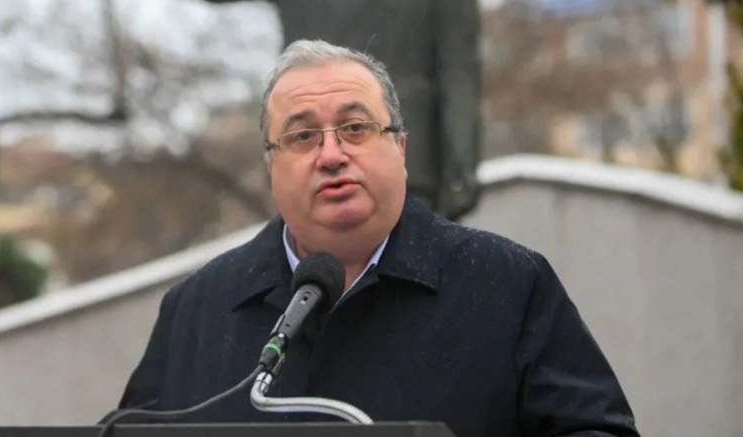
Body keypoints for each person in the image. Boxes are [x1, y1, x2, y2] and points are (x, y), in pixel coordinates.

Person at [114, 40, 639, 437]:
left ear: (400, 150)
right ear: (271, 167)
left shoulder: (506, 284)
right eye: (302, 136)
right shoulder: (197, 309)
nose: (331, 155)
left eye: (356, 128)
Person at [207, 0, 482, 219]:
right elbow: (458, 70)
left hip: (384, 169)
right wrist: (461, 168)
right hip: (404, 164)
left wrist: (460, 167)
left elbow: (458, 69)